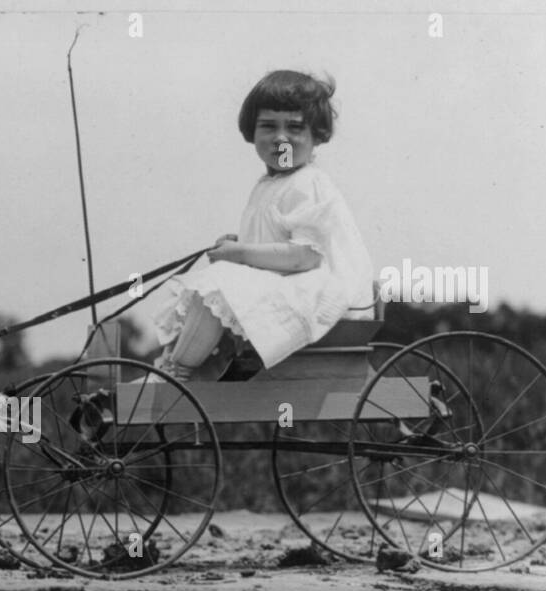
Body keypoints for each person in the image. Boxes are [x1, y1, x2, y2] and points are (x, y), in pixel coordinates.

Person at [150, 70, 376, 381]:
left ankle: (178, 373)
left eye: (295, 127)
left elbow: (305, 256)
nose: (281, 138)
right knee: (205, 288)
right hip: (290, 285)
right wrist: (239, 243)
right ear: (252, 133)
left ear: (317, 136)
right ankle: (176, 365)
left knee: (215, 287)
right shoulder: (268, 186)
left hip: (323, 295)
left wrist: (241, 253)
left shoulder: (309, 183)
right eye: (269, 126)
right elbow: (274, 240)